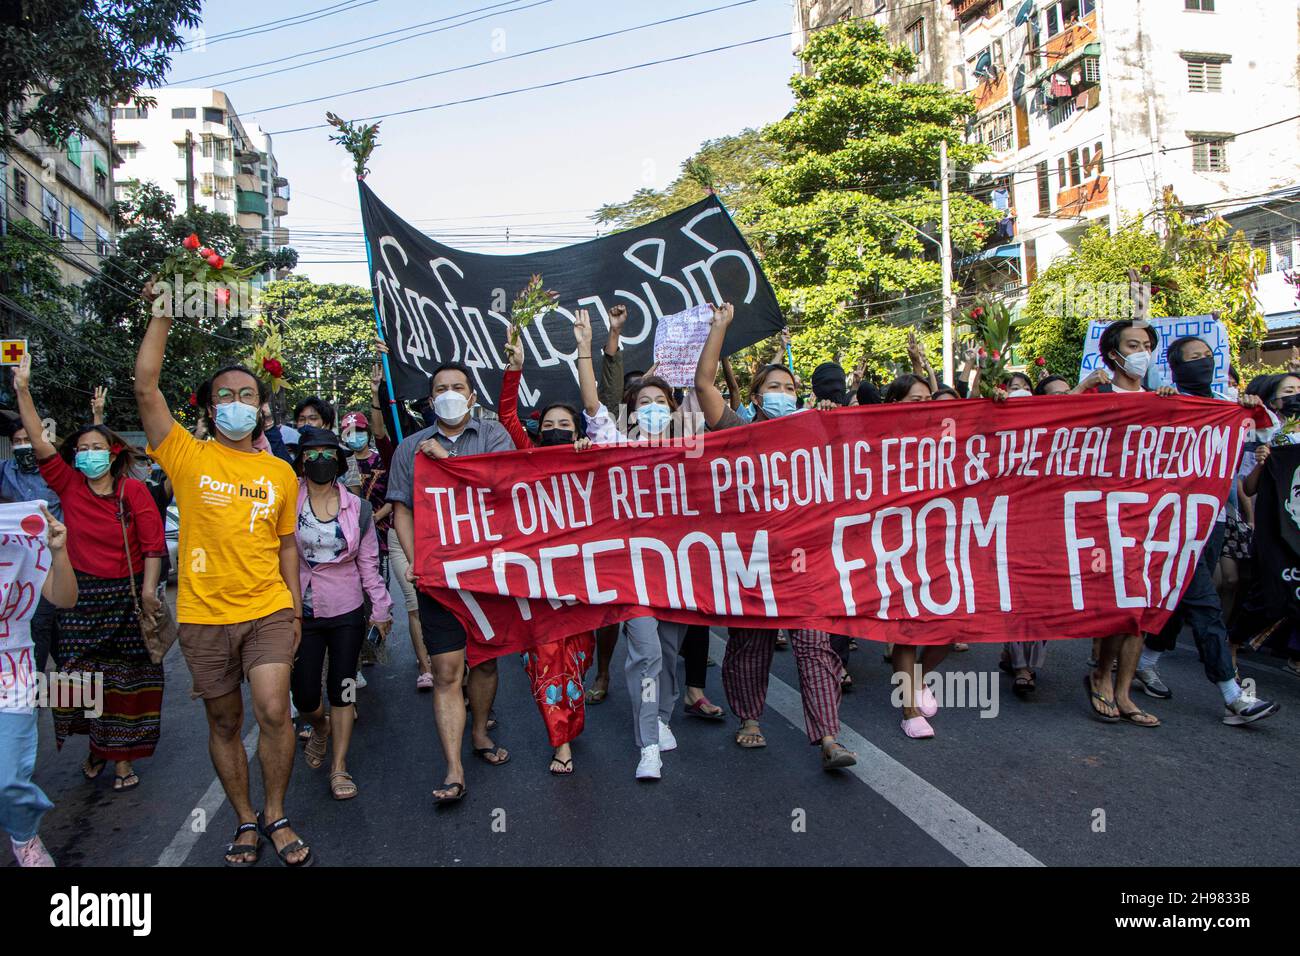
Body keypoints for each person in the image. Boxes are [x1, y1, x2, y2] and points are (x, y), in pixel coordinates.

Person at [135, 287, 313, 867]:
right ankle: (243, 819)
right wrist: (163, 310)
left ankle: (277, 812)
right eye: (224, 396)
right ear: (211, 409)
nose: (235, 403)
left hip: (266, 610)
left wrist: (292, 608)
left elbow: (288, 545)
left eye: (246, 395)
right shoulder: (186, 455)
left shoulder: (280, 473)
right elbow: (145, 386)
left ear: (260, 408)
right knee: (224, 719)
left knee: (273, 710)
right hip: (205, 617)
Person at [694, 303, 858, 769]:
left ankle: (828, 736)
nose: (783, 394)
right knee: (751, 644)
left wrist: (833, 417)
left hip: (808, 563)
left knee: (814, 645)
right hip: (752, 562)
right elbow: (704, 385)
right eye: (774, 387)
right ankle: (750, 719)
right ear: (757, 395)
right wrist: (720, 329)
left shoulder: (817, 430)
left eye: (790, 388)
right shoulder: (739, 430)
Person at [13, 355, 168, 790]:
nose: (88, 455)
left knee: (125, 682)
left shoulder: (133, 490)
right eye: (82, 449)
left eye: (97, 448)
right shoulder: (68, 484)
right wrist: (23, 389)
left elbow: (154, 546)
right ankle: (96, 744)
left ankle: (122, 760)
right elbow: (42, 445)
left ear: (113, 453)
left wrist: (152, 591)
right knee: (74, 680)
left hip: (127, 595)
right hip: (79, 599)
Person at [387, 360, 515, 804]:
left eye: (457, 386)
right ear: (430, 398)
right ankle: (454, 767)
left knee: (484, 662)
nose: (449, 393)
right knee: (446, 670)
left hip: (486, 573)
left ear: (472, 396)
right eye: (441, 387)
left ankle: (479, 732)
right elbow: (401, 507)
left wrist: (450, 461)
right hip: (437, 574)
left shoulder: (494, 437)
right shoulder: (410, 447)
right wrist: (416, 557)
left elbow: (502, 486)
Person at [1134, 337, 1280, 726]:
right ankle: (1233, 696)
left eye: (1207, 356)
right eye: (1193, 358)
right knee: (1204, 603)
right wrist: (1161, 403)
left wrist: (1255, 409)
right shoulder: (1166, 402)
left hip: (1213, 520)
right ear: (1176, 367)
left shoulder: (1229, 405)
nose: (1203, 362)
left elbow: (1269, 435)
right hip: (1172, 523)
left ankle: (1145, 662)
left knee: (1181, 599)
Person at [574, 309, 693, 780]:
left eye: (660, 399)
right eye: (643, 400)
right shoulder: (616, 441)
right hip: (633, 571)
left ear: (674, 406)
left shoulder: (694, 448)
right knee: (646, 653)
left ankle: (663, 717)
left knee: (669, 650)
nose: (652, 406)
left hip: (684, 570)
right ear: (631, 408)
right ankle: (648, 745)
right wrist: (587, 347)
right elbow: (589, 403)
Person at [499, 332, 598, 774]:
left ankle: (571, 723)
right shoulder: (528, 457)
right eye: (550, 425)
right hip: (537, 578)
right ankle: (560, 742)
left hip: (582, 579)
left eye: (567, 427)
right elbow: (506, 414)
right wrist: (514, 368)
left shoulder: (591, 460)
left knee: (577, 657)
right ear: (540, 430)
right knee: (546, 657)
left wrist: (588, 454)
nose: (557, 431)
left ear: (578, 432)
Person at [289, 427, 391, 799]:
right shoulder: (288, 501)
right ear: (301, 461)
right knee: (303, 696)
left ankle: (339, 766)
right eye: (311, 455)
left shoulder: (359, 509)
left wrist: (380, 608)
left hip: (347, 609)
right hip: (301, 610)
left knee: (343, 688)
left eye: (327, 454)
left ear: (339, 459)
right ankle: (320, 727)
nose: (319, 461)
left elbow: (368, 565)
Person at [1, 502, 77, 867]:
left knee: (8, 779)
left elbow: (65, 598)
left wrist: (58, 550)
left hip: (12, 673)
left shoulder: (22, 537)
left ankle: (24, 836)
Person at [0, 410, 63, 672]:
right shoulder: (4, 472)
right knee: (42, 631)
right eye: (17, 441)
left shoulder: (57, 472)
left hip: (54, 565)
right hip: (20, 571)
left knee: (45, 629)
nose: (22, 445)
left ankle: (44, 692)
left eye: (28, 439)